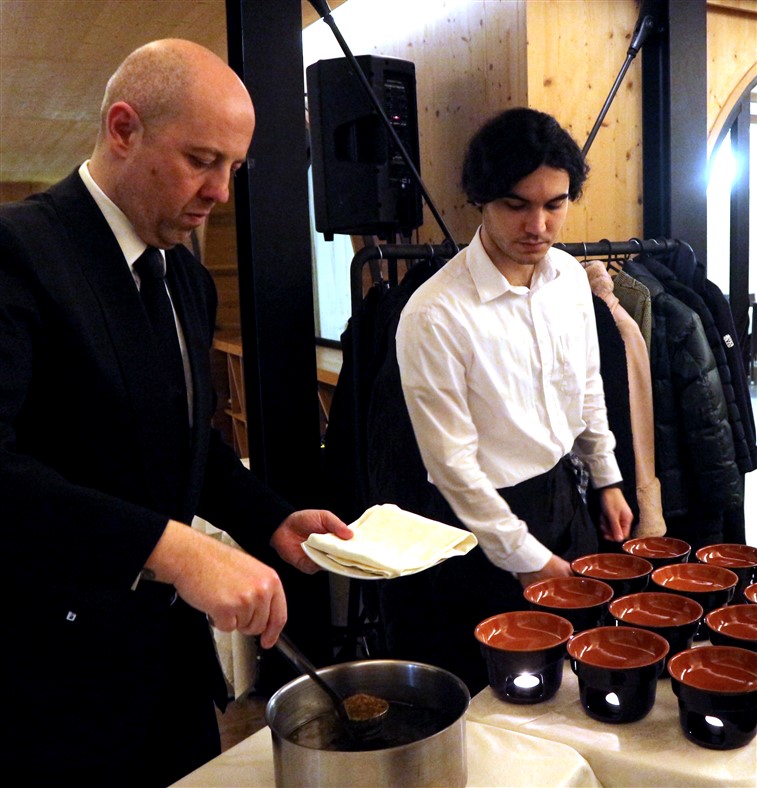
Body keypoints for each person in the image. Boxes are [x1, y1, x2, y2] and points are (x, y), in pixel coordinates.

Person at [0, 39, 352, 786]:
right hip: (52, 670)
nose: (220, 192)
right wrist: (173, 547)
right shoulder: (20, 251)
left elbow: (187, 443)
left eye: (234, 168)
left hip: (169, 660)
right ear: (123, 129)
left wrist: (269, 518)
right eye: (201, 160)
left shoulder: (186, 278)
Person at [382, 107, 634, 692]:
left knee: (577, 673)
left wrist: (607, 478)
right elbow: (450, 463)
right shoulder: (435, 313)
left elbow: (587, 384)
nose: (538, 225)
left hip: (563, 495)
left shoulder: (568, 279)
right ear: (481, 200)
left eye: (555, 204)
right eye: (516, 205)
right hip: (475, 523)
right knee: (496, 691)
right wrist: (522, 555)